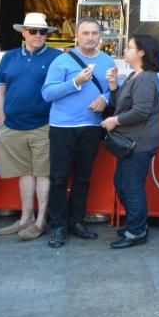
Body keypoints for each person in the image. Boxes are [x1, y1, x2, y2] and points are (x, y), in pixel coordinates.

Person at [41, 18, 116, 248]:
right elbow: (47, 93)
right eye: (85, 33)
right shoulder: (61, 60)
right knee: (59, 178)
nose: (90, 37)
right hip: (62, 127)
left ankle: (76, 221)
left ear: (100, 36)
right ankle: (57, 226)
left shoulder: (107, 60)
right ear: (77, 36)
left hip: (91, 127)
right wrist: (75, 81)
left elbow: (111, 91)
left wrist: (104, 99)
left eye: (94, 33)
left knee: (83, 177)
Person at [0, 13, 62, 241]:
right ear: (23, 32)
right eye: (33, 31)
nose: (38, 35)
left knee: (43, 174)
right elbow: (0, 90)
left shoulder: (56, 56)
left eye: (42, 31)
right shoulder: (9, 57)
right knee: (24, 173)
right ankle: (26, 218)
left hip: (44, 124)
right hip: (13, 125)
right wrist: (2, 121)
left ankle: (41, 220)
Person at [103, 34, 159, 249]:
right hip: (131, 140)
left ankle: (136, 231)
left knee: (131, 186)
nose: (126, 51)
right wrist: (112, 85)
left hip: (140, 142)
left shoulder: (146, 78)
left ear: (142, 52)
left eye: (130, 47)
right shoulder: (133, 76)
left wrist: (115, 120)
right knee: (122, 183)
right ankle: (137, 225)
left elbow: (141, 111)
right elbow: (121, 103)